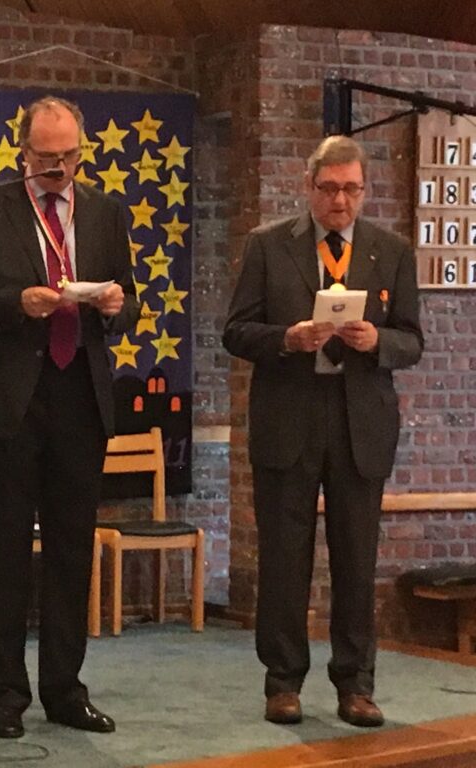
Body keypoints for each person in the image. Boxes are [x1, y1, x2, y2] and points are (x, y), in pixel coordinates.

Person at [0, 96, 137, 739]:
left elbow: (130, 301)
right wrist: (14, 303)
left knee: (71, 552)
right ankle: (3, 694)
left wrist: (116, 306)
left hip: (81, 397)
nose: (58, 169)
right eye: (47, 158)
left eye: (69, 157)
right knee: (1, 553)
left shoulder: (106, 213)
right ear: (23, 152)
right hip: (9, 403)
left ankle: (64, 689)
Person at [223, 135, 423, 728]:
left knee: (356, 561)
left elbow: (413, 339)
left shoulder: (391, 251)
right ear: (308, 187)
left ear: (365, 190)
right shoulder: (268, 246)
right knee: (284, 559)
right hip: (290, 417)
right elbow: (236, 331)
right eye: (330, 188)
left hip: (360, 423)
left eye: (351, 190)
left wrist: (377, 341)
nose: (340, 201)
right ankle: (283, 682)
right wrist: (287, 338)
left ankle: (356, 684)